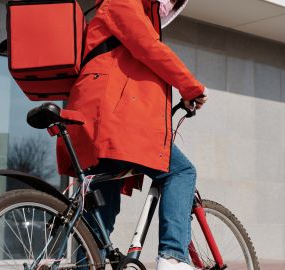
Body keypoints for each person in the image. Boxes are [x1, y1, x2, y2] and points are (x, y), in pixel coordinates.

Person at [56, 0, 208, 269]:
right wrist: (191, 87)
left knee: (101, 214)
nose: (168, 4)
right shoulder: (123, 2)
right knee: (182, 172)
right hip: (111, 122)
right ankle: (173, 256)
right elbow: (149, 48)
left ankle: (85, 265)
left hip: (95, 124)